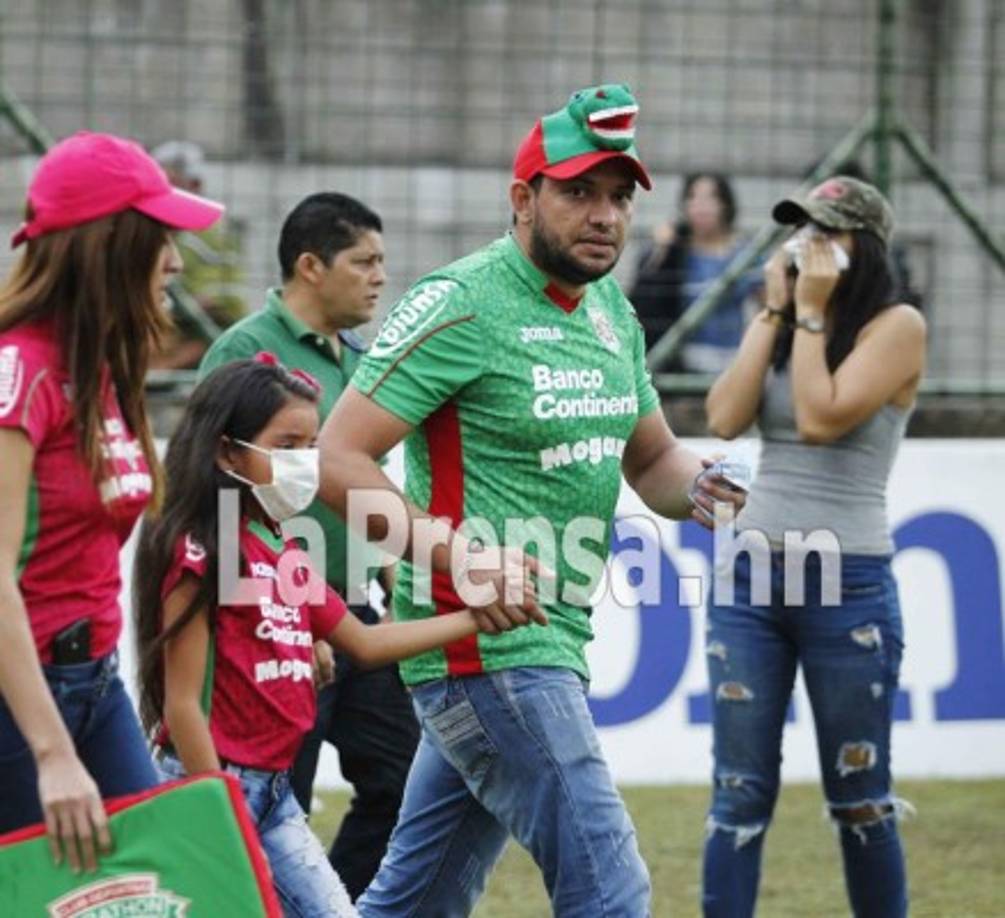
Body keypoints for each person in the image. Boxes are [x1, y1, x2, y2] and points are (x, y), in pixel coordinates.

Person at [316, 84, 746, 917]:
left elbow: (651, 457)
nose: (604, 216)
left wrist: (697, 484)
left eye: (618, 197)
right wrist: (461, 558)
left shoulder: (611, 310)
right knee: (610, 889)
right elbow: (338, 459)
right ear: (523, 199)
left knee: (416, 902)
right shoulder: (460, 301)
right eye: (578, 192)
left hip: (540, 644)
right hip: (484, 649)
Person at [132, 355, 532, 917]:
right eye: (287, 445)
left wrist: (476, 617)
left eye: (311, 445)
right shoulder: (201, 552)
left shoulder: (280, 545)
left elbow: (363, 643)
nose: (304, 462)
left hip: (274, 796)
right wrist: (218, 818)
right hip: (213, 789)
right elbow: (182, 706)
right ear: (228, 452)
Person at [702, 176, 925, 917]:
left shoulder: (897, 326)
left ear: (864, 246)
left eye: (826, 232)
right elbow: (724, 417)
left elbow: (819, 418)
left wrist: (807, 312)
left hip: (847, 584)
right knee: (737, 795)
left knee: (859, 798)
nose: (806, 246)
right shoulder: (787, 319)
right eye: (800, 230)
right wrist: (773, 310)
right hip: (749, 583)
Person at [0, 132, 223, 869]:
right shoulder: (20, 372)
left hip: (95, 681)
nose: (174, 261)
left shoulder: (99, 364)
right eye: (160, 238)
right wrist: (51, 754)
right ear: (110, 246)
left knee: (156, 882)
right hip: (20, 701)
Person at [197, 191, 421, 900]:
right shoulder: (243, 351)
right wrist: (292, 611)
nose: (380, 277)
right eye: (364, 261)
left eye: (382, 261)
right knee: (274, 802)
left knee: (402, 784)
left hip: (356, 609)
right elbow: (213, 490)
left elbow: (370, 484)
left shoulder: (361, 358)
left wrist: (393, 578)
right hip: (272, 621)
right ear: (310, 266)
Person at [629, 172, 763, 370]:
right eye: (693, 197)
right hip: (683, 359)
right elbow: (643, 301)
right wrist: (661, 250)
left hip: (733, 357)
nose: (701, 207)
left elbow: (767, 304)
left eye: (711, 197)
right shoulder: (675, 252)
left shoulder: (745, 253)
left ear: (725, 204)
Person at [149, 140, 247, 370]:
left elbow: (225, 298)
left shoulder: (211, 232)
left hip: (200, 327)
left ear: (194, 184)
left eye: (172, 183)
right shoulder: (165, 228)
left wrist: (188, 304)